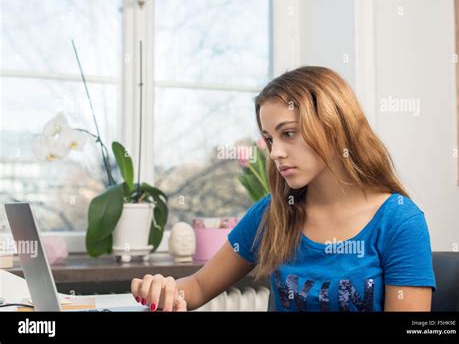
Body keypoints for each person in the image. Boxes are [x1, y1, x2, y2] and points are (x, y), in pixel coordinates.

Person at [130, 66, 436, 312]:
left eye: (288, 133)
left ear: (334, 127)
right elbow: (197, 288)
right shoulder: (271, 212)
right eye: (270, 139)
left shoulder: (399, 221)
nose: (275, 152)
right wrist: (166, 290)